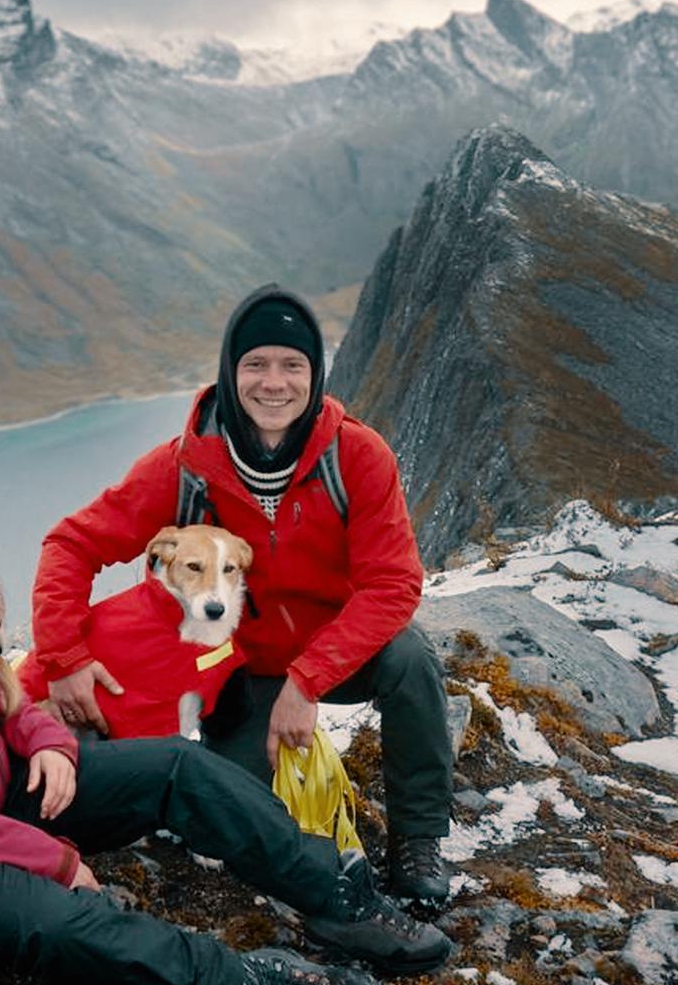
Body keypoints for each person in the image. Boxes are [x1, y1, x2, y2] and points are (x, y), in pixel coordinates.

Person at [0, 418, 450, 985]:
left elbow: (2, 693)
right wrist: (54, 859)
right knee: (60, 922)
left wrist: (43, 741)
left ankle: (337, 900)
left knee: (176, 766)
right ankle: (248, 983)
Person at [30, 286, 454, 911]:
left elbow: (392, 583)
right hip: (234, 676)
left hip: (327, 653)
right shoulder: (184, 466)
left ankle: (418, 840)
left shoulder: (358, 457)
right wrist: (62, 656)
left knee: (411, 661)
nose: (273, 383)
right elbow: (72, 544)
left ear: (315, 374)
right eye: (255, 364)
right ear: (231, 372)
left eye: (293, 365)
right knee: (240, 829)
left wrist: (308, 681)